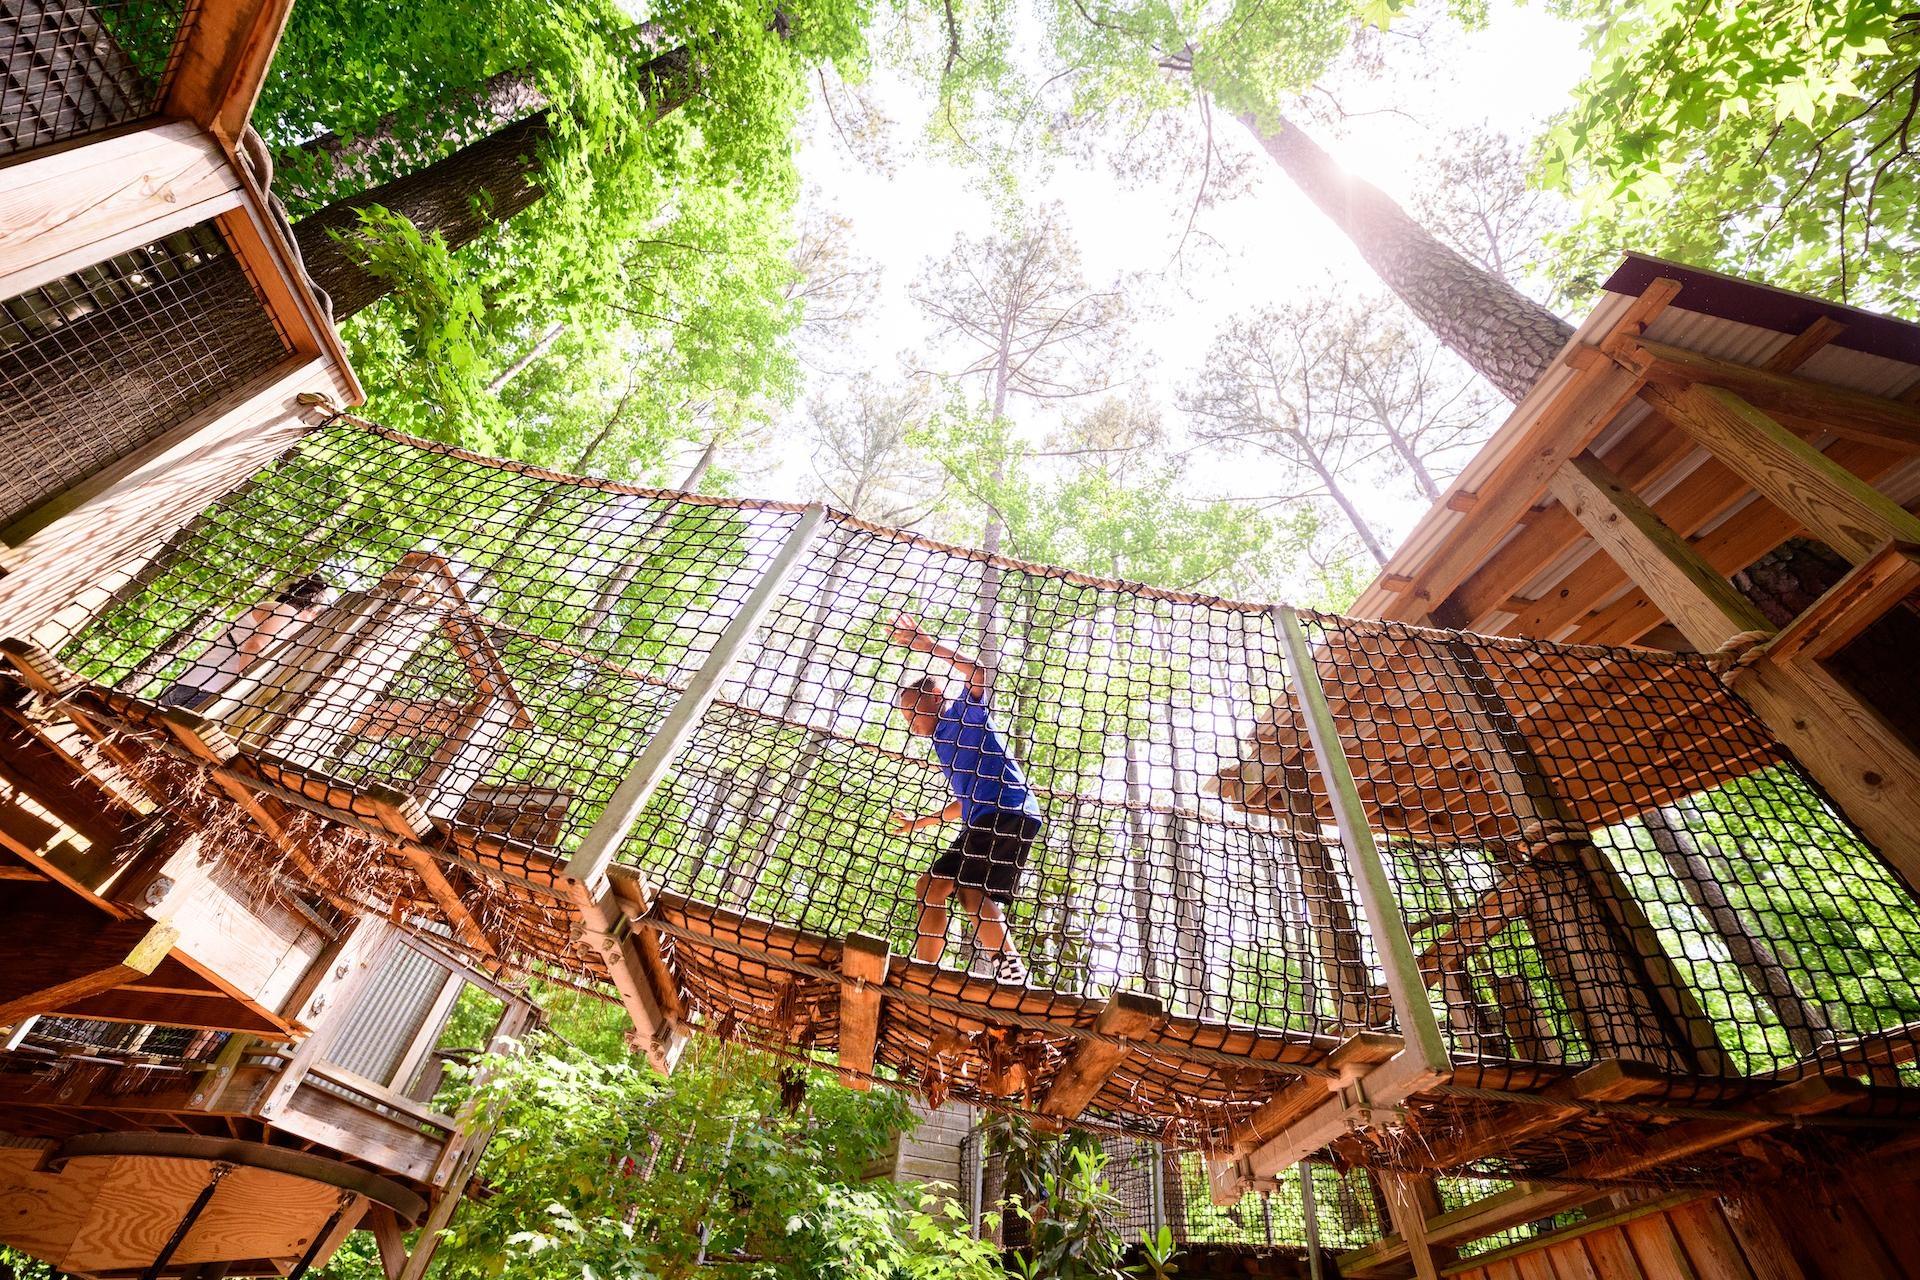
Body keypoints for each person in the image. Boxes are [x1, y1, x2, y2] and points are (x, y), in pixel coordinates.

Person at [887, 613, 1043, 984]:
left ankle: (1011, 967)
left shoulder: (962, 715)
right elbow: (966, 802)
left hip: (1009, 811)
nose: (910, 722)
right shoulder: (942, 744)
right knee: (930, 887)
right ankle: (926, 971)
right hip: (983, 818)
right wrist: (920, 823)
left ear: (935, 696)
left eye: (911, 712)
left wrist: (928, 647)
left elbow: (977, 673)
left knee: (973, 890)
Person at [158, 574, 331, 711]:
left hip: (188, 685)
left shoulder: (267, 607)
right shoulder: (286, 612)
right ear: (313, 611)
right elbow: (256, 646)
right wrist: (248, 695)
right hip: (205, 692)